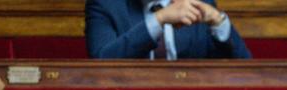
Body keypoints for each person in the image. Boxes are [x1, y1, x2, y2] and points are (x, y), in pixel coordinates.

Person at [85, 0, 250, 59]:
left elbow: (245, 65)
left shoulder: (197, 3)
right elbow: (102, 58)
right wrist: (159, 19)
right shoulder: (105, 5)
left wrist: (219, 21)